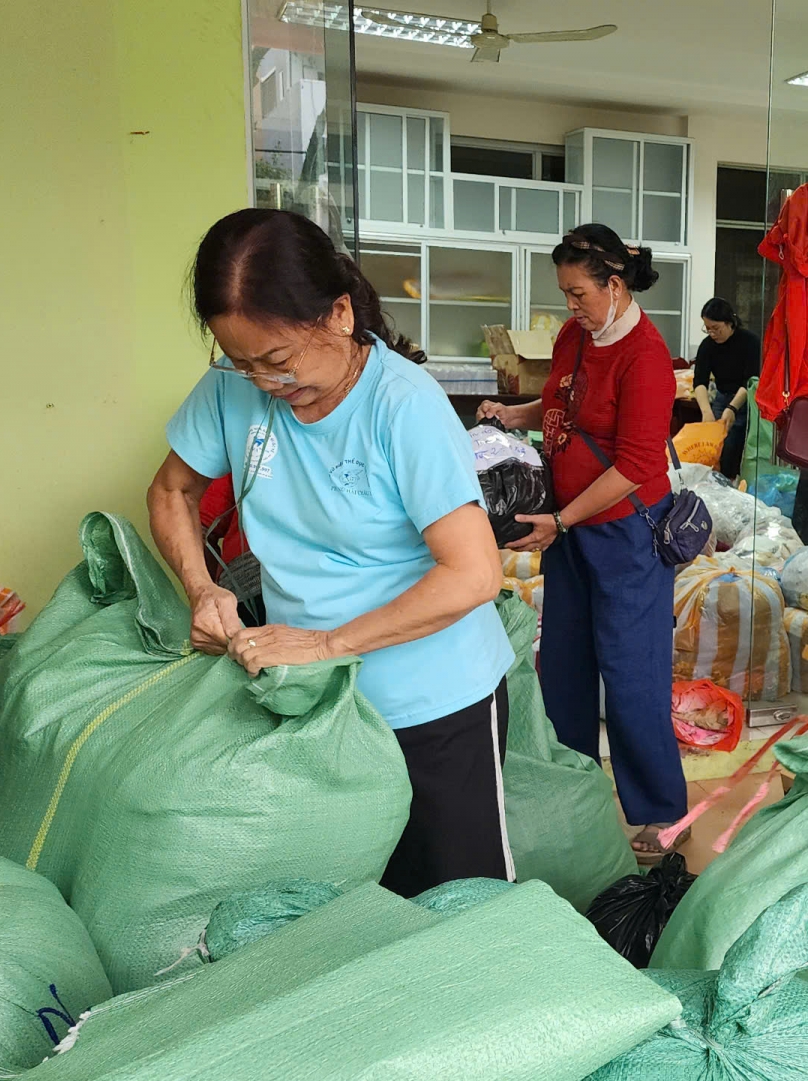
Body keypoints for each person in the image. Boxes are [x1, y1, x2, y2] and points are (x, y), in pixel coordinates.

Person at [147, 208, 513, 899]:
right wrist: (202, 588)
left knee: (456, 907)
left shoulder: (403, 405)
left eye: (279, 361)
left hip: (432, 705)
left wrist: (325, 644)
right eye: (241, 363)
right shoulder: (232, 389)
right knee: (353, 905)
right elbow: (171, 490)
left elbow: (473, 574)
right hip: (313, 703)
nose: (265, 384)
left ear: (340, 314)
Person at [476, 224, 688, 862]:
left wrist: (564, 519)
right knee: (564, 666)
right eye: (565, 294)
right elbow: (560, 406)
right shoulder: (575, 337)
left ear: (615, 286)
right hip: (568, 529)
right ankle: (574, 794)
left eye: (579, 294)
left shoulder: (645, 357)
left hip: (626, 534)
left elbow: (636, 465)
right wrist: (512, 416)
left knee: (631, 675)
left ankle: (662, 812)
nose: (571, 307)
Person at [693, 297, 760, 479]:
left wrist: (732, 408)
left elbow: (750, 381)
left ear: (729, 323)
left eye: (716, 328)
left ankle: (736, 482)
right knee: (714, 446)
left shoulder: (750, 342)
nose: (712, 333)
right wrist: (706, 411)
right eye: (707, 329)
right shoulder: (707, 346)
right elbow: (700, 381)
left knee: (737, 446)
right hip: (722, 397)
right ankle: (717, 483)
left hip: (746, 400)